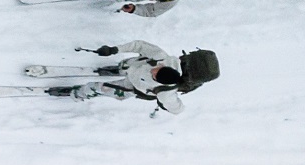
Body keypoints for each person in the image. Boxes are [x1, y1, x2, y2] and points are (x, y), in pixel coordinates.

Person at [49, 41, 219, 114]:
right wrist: (114, 49)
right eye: (157, 69)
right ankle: (114, 70)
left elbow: (178, 109)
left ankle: (77, 93)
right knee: (125, 66)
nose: (153, 71)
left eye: (155, 76)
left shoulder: (166, 92)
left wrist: (166, 104)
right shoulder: (160, 56)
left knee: (98, 88)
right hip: (132, 66)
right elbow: (139, 45)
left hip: (131, 87)